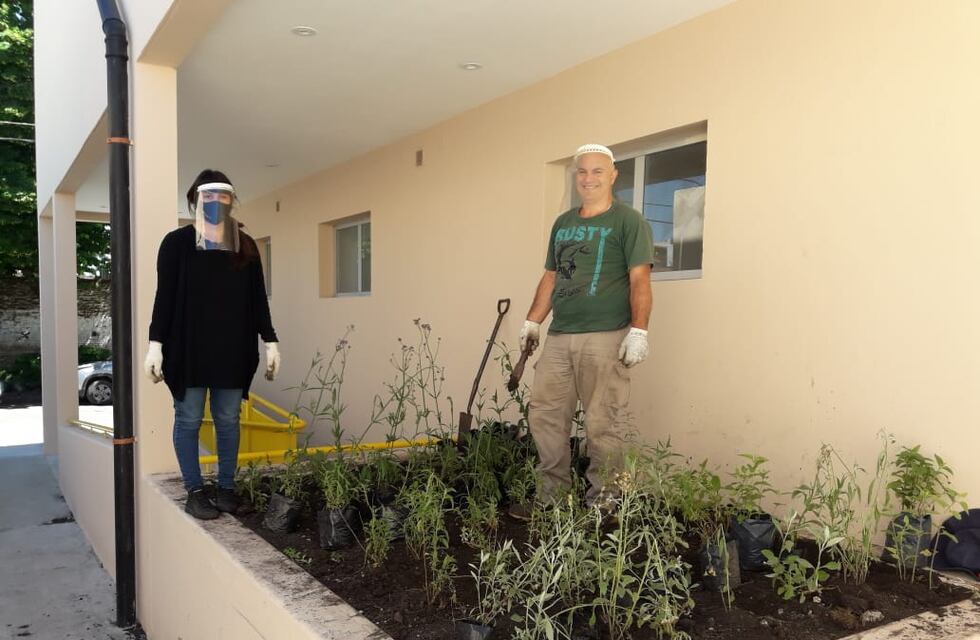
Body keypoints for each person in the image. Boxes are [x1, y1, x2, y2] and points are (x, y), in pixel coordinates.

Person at [513, 143, 654, 516]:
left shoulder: (628, 221)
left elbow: (640, 279)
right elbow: (551, 276)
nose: (588, 178)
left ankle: (605, 503)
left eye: (597, 171)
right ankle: (551, 497)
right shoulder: (564, 224)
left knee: (603, 421)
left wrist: (639, 331)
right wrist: (533, 321)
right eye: (582, 171)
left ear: (613, 175)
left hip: (606, 334)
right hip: (560, 335)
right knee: (545, 415)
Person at [143, 169, 280, 520]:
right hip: (188, 348)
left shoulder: (245, 245)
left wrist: (270, 340)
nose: (216, 201)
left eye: (223, 195)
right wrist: (155, 344)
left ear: (232, 200)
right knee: (189, 418)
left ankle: (226, 490)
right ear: (195, 199)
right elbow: (164, 296)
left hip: (233, 349)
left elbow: (257, 298)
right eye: (208, 195)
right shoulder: (176, 243)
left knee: (228, 419)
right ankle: (195, 491)